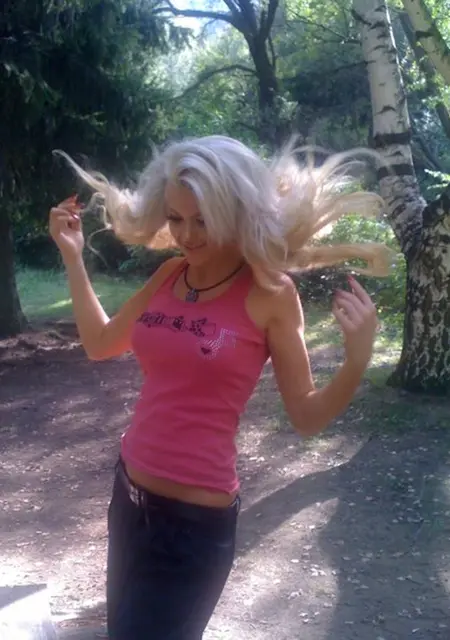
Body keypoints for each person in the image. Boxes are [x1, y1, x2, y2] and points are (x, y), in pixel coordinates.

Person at [49, 135, 389, 640]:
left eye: (203, 220)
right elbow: (100, 343)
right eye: (176, 218)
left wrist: (357, 359)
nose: (186, 235)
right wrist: (74, 257)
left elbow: (306, 415)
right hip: (128, 501)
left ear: (235, 212)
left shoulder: (270, 293)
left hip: (193, 528)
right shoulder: (170, 274)